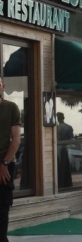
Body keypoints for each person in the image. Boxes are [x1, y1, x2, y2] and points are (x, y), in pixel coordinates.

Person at [0, 77, 21, 242]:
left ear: (2, 87)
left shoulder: (10, 108)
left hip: (5, 165)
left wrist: (4, 163)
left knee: (2, 207)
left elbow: (16, 139)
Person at [56, 112, 73, 189]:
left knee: (60, 166)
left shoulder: (56, 128)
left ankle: (61, 183)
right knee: (66, 165)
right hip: (66, 148)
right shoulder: (69, 127)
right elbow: (71, 138)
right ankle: (67, 183)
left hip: (59, 148)